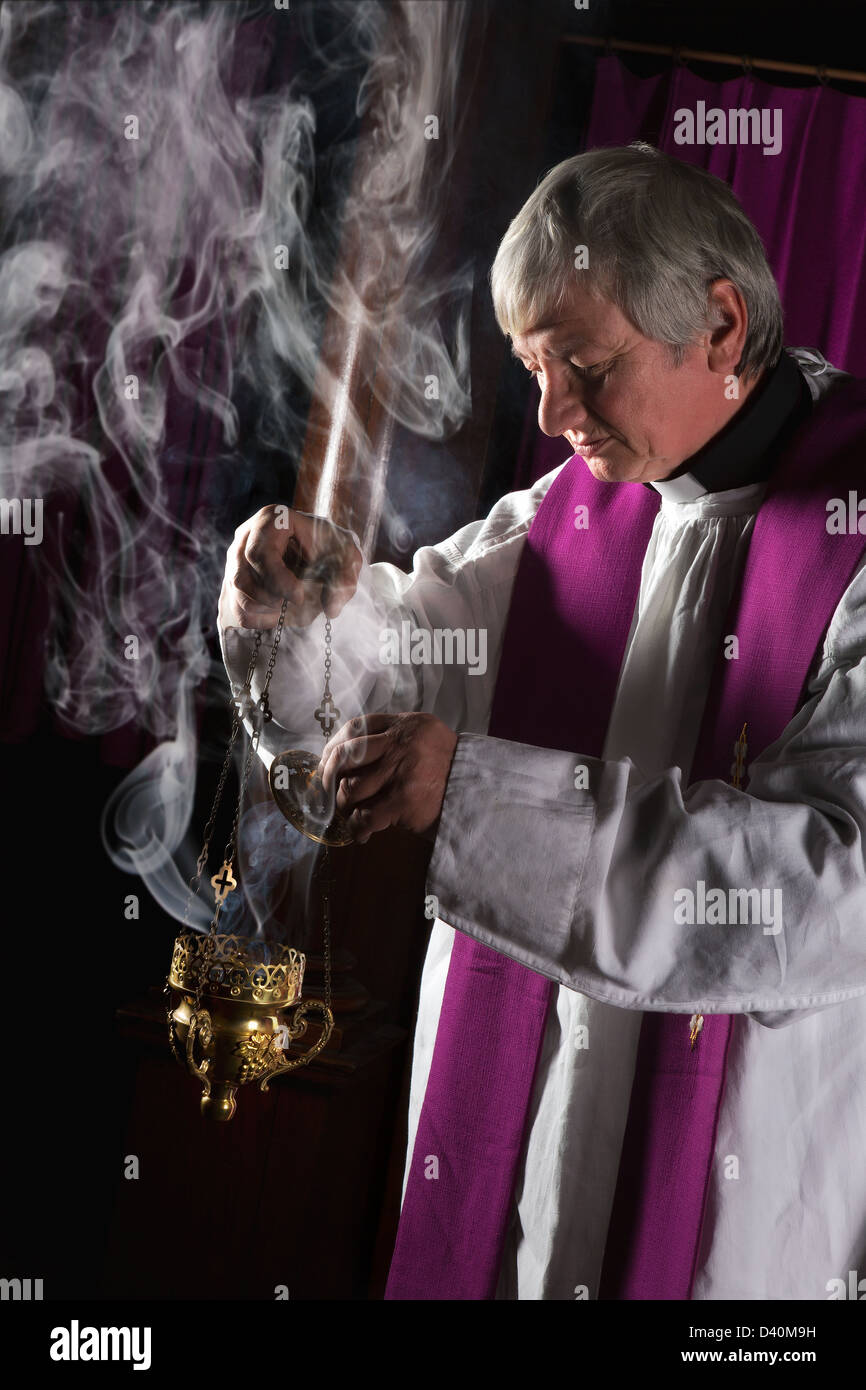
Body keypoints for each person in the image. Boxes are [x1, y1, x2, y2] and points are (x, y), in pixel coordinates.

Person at [218, 144, 866, 1300]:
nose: (551, 411)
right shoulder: (566, 516)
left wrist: (475, 797)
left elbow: (828, 887)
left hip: (745, 1201)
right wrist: (297, 612)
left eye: (584, 364)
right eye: (530, 367)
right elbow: (383, 683)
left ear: (718, 326)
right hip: (514, 1179)